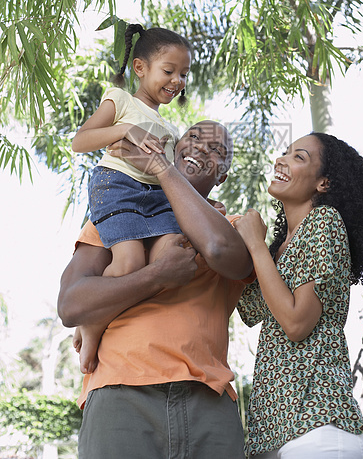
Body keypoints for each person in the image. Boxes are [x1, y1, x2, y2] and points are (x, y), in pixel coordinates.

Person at [58, 120, 254, 459]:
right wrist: (156, 276)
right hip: (120, 396)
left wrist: (163, 170)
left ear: (222, 174)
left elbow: (223, 252)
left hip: (208, 400)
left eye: (216, 150)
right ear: (176, 147)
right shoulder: (116, 217)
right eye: (193, 137)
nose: (200, 148)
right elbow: (71, 305)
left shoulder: (232, 226)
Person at [234, 132, 363, 458]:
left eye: (299, 157)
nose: (282, 160)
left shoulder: (324, 222)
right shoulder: (279, 249)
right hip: (272, 432)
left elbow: (297, 322)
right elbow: (248, 310)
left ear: (324, 183)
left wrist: (256, 246)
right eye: (285, 152)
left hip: (318, 423)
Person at [71, 23, 192, 373]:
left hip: (156, 197)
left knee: (173, 253)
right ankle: (92, 326)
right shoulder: (120, 99)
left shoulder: (168, 128)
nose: (177, 80)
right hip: (118, 186)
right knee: (128, 264)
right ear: (140, 68)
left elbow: (172, 176)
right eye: (169, 71)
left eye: (183, 74)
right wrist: (125, 128)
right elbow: (81, 141)